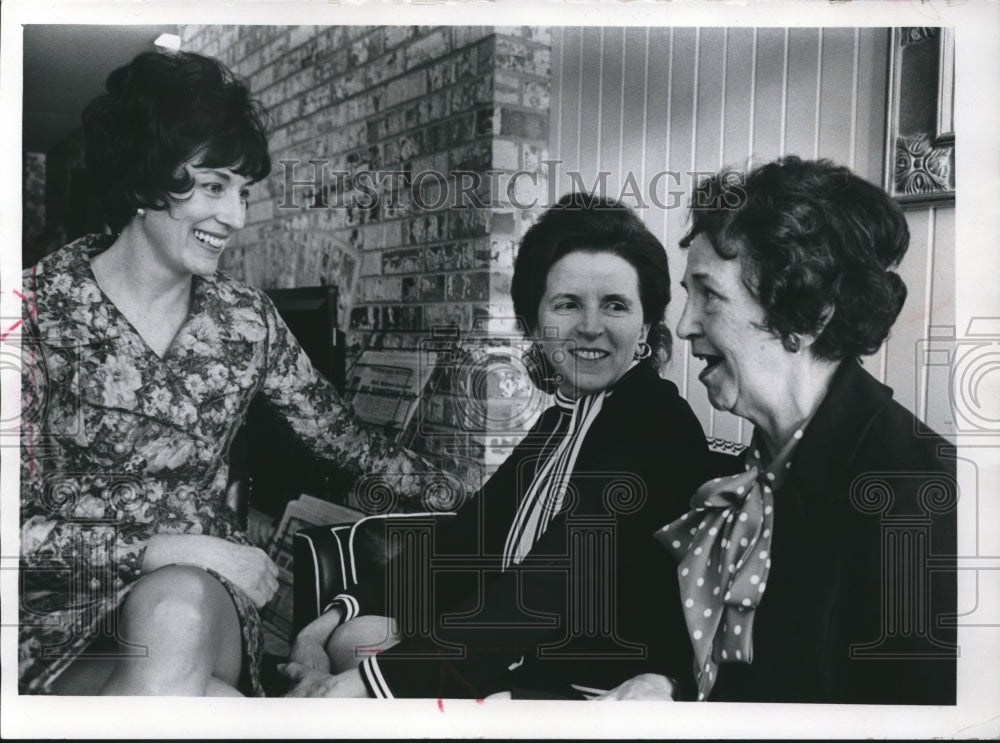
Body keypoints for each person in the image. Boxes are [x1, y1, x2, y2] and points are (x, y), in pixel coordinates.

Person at [18, 50, 440, 696]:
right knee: (208, 702)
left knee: (175, 611)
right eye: (214, 186)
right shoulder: (31, 312)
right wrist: (177, 546)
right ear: (143, 178)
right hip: (52, 612)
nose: (237, 217)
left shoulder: (246, 320)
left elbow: (348, 443)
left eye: (243, 192)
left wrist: (478, 500)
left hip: (201, 602)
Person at [280, 194, 712, 699]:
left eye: (615, 305)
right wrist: (324, 623)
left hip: (597, 692)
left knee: (363, 663)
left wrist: (362, 686)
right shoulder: (562, 420)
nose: (591, 326)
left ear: (645, 329)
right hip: (529, 664)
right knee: (355, 636)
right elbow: (464, 541)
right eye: (568, 304)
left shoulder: (656, 423)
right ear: (534, 325)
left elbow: (548, 588)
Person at [617, 157, 956, 703]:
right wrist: (668, 682)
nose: (683, 325)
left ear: (807, 314)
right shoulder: (751, 475)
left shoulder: (921, 498)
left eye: (709, 295)